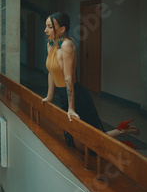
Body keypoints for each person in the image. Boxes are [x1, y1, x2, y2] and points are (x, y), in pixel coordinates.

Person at [41, 12, 139, 142]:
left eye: (50, 27)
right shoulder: (51, 45)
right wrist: (49, 96)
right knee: (78, 140)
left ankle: (123, 130)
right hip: (63, 96)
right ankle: (122, 129)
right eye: (46, 26)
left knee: (90, 139)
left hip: (77, 97)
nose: (45, 30)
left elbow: (68, 78)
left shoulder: (66, 45)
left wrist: (71, 108)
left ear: (62, 29)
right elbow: (51, 72)